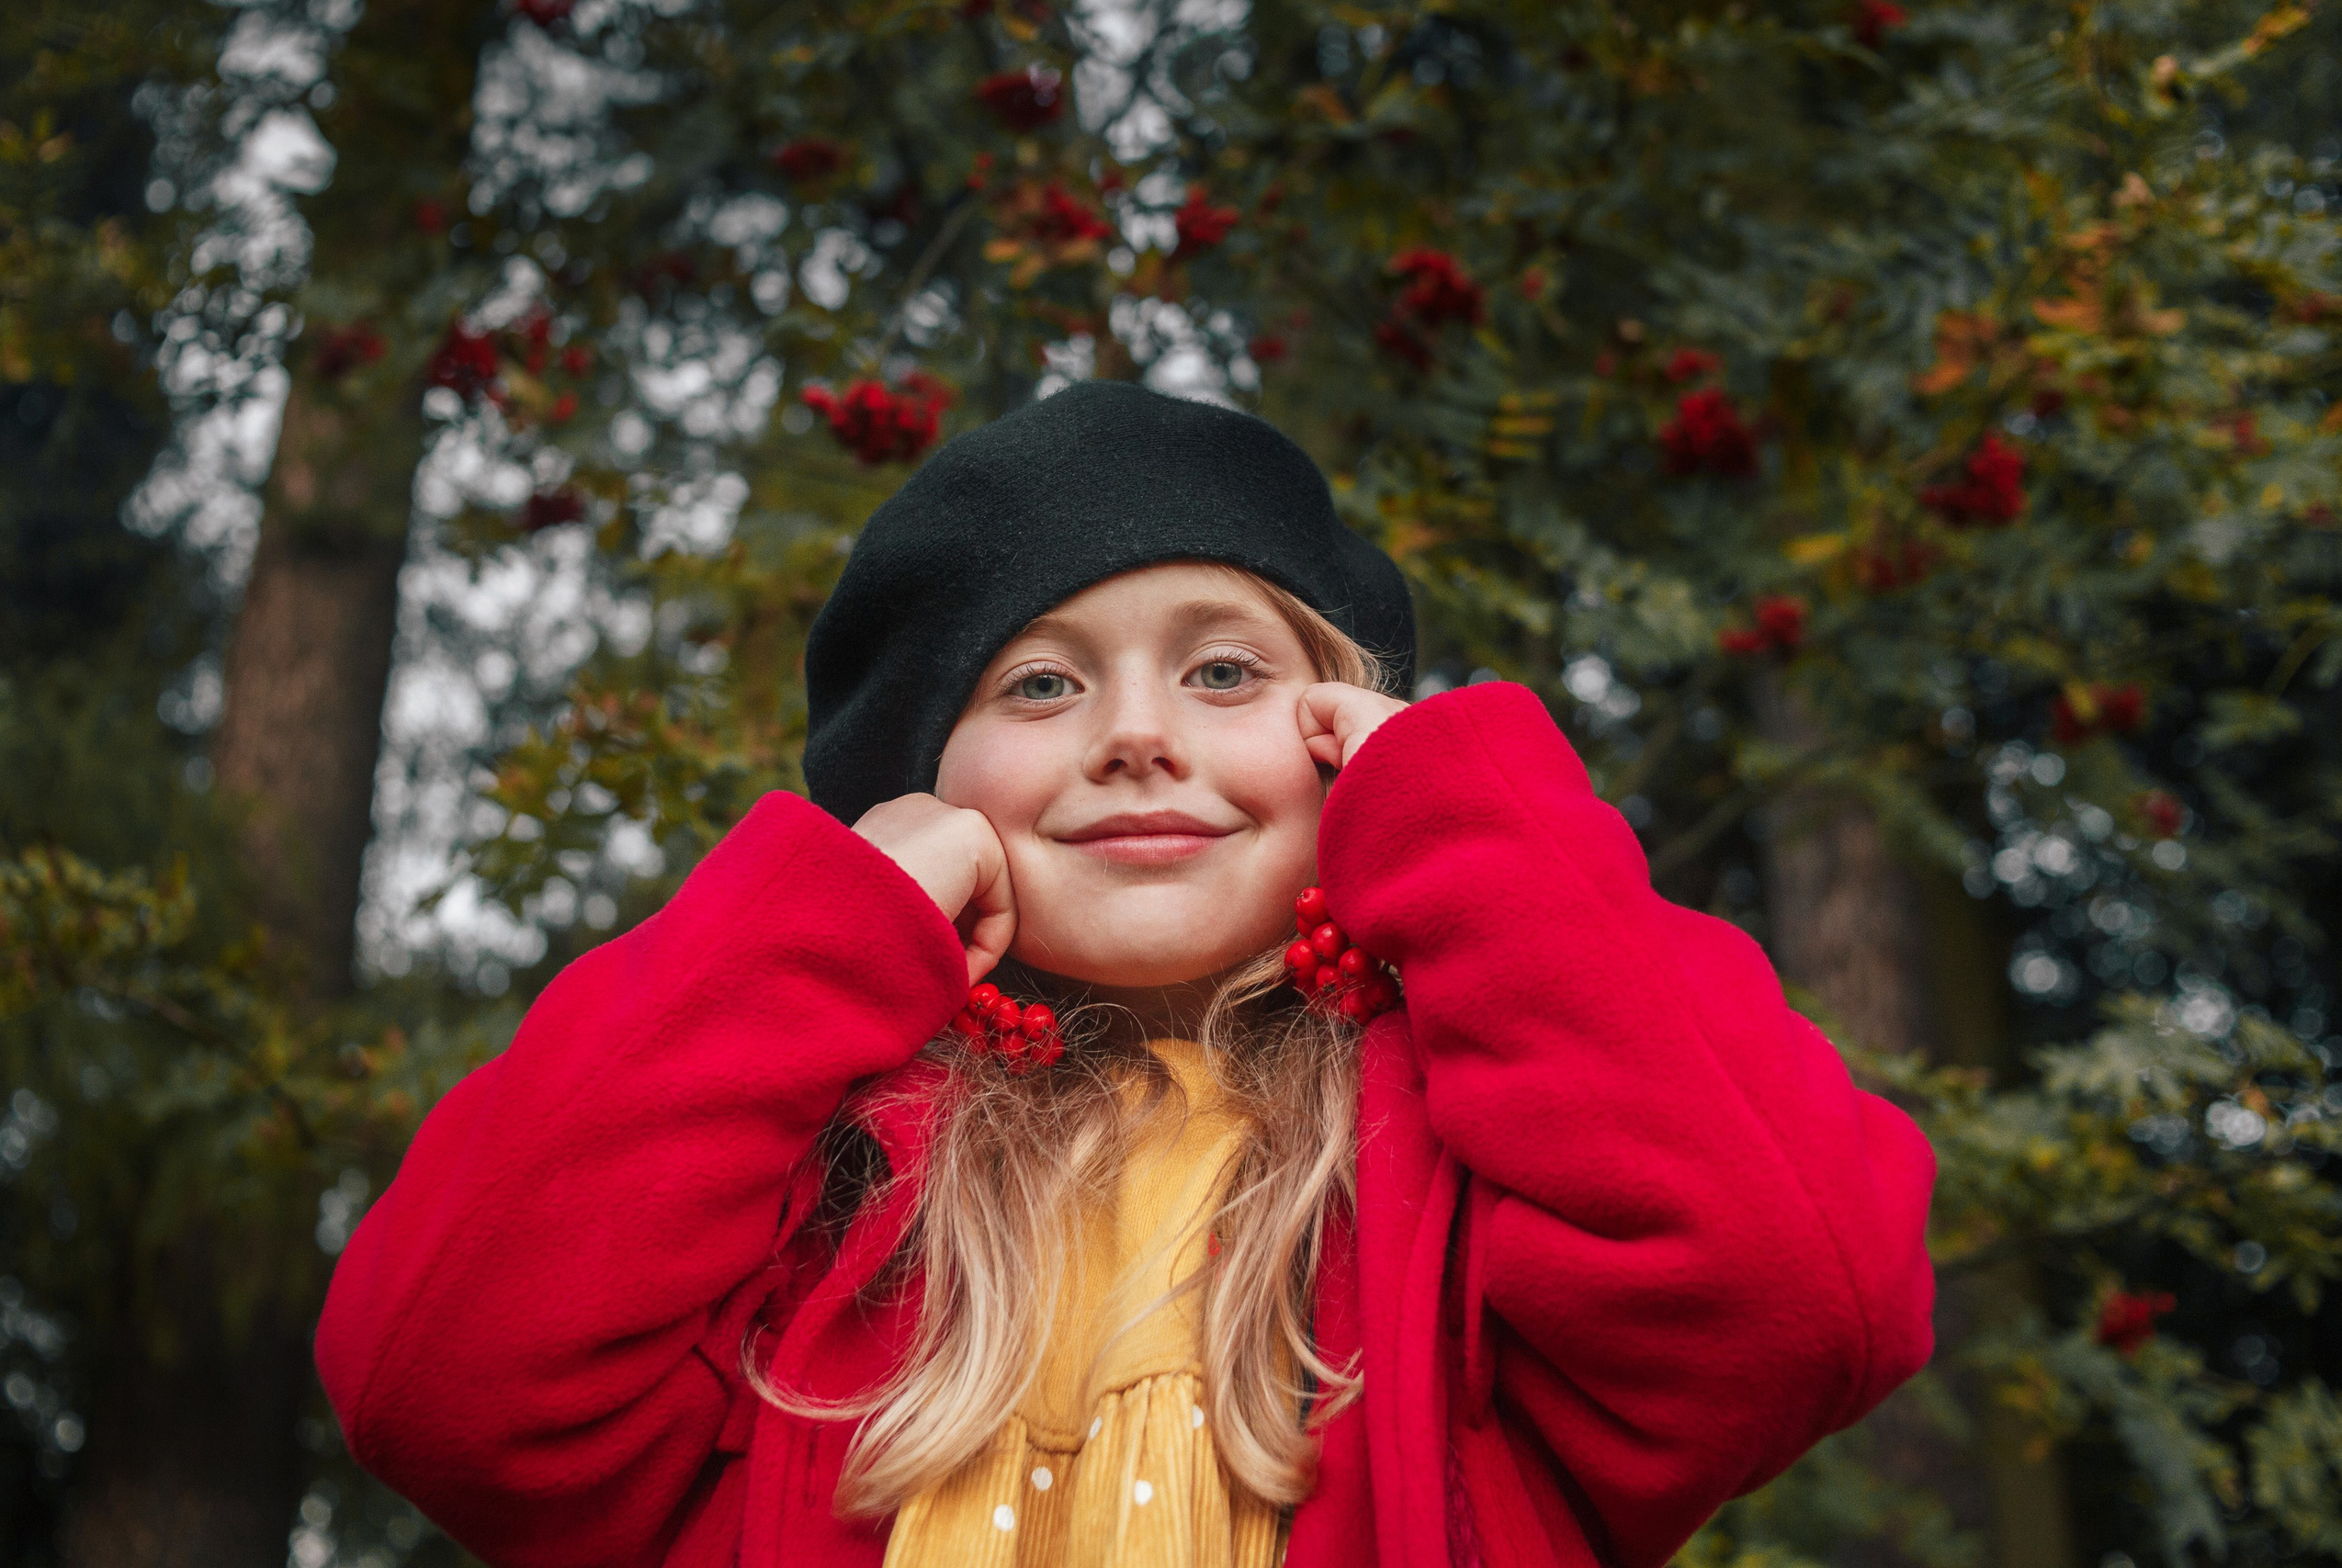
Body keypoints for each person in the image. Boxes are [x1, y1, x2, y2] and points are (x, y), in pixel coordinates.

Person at [315, 380, 1938, 1568]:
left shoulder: (1476, 1169)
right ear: (923, 796)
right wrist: (829, 925)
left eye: (1227, 667)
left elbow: (1801, 1296)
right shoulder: (814, 1189)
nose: (1138, 731)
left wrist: (1467, 822)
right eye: (1038, 684)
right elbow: (443, 1387)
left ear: (1344, 744)